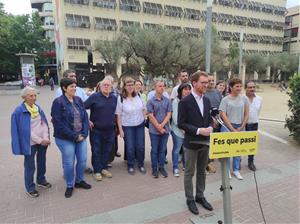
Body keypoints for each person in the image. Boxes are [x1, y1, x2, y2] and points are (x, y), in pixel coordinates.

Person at [178, 71, 214, 215]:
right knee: (189, 173)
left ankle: (200, 196)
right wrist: (199, 130)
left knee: (202, 172)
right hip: (191, 143)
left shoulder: (207, 100)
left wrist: (211, 126)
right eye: (203, 82)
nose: (207, 85)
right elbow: (181, 123)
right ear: (194, 83)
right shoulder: (185, 102)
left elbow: (209, 118)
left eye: (207, 82)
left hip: (205, 143)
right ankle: (190, 199)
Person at [51, 78, 91, 198]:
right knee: (69, 163)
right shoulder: (58, 102)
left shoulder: (78, 100)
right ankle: (69, 185)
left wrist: (84, 134)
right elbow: (57, 123)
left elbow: (84, 117)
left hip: (80, 136)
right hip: (65, 138)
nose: (74, 88)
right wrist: (74, 136)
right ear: (64, 88)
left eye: (75, 86)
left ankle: (79, 181)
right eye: (71, 87)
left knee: (83, 160)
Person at [11, 86, 51, 198]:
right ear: (24, 97)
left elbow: (43, 123)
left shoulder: (37, 107)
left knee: (42, 161)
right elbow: (25, 131)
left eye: (35, 95)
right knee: (30, 165)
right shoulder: (19, 111)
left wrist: (46, 137)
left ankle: (41, 180)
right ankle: (30, 187)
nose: (34, 98)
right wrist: (40, 140)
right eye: (31, 96)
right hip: (30, 143)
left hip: (42, 141)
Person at [84, 78, 117, 181]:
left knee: (106, 150)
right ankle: (97, 171)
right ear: (100, 86)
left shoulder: (114, 98)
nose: (106, 86)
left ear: (112, 87)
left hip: (110, 130)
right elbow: (81, 107)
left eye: (108, 85)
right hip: (96, 130)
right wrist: (87, 120)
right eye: (104, 85)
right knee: (96, 150)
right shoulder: (94, 97)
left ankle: (104, 168)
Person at [219, 77, 249, 180]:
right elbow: (223, 115)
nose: (239, 88)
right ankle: (226, 170)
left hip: (240, 127)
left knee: (238, 150)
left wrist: (242, 126)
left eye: (240, 86)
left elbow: (246, 114)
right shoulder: (225, 100)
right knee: (227, 150)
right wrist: (231, 128)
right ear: (231, 87)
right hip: (227, 127)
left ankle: (236, 170)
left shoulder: (244, 98)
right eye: (237, 86)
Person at [116, 77, 147, 175]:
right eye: (127, 85)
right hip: (127, 126)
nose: (130, 87)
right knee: (130, 147)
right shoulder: (121, 98)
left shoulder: (139, 96)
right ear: (124, 86)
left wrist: (144, 116)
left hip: (139, 125)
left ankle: (141, 164)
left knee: (140, 146)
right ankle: (130, 165)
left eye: (131, 85)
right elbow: (118, 115)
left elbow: (144, 109)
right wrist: (120, 130)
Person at [147, 80, 172, 178]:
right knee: (154, 150)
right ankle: (154, 168)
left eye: (163, 86)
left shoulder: (167, 100)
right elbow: (150, 115)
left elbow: (169, 114)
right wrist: (158, 126)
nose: (162, 88)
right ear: (155, 87)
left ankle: (161, 167)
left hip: (165, 130)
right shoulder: (150, 101)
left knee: (162, 150)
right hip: (154, 130)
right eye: (159, 86)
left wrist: (162, 125)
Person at [171, 83, 191, 177]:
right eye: (185, 89)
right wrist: (182, 128)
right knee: (177, 149)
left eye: (188, 89)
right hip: (178, 130)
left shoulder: (190, 101)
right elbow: (175, 118)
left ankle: (185, 166)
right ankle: (175, 167)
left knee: (186, 149)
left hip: (187, 130)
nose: (187, 91)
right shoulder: (176, 101)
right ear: (180, 91)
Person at [204, 74, 223, 174]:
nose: (211, 82)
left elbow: (220, 107)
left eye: (212, 80)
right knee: (207, 143)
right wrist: (212, 120)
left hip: (218, 121)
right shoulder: (203, 93)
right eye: (209, 80)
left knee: (215, 142)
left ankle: (212, 159)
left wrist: (218, 119)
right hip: (207, 122)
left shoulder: (218, 93)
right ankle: (207, 164)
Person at [245, 80, 262, 171]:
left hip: (254, 124)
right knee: (240, 144)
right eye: (250, 87)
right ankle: (237, 162)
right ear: (245, 88)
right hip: (243, 125)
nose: (252, 89)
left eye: (253, 87)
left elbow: (258, 112)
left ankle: (250, 162)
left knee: (252, 145)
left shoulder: (259, 99)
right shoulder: (241, 99)